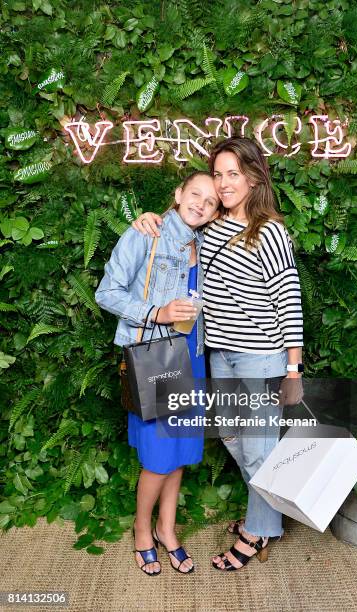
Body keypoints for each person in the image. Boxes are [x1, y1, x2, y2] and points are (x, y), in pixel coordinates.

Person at [133, 136, 304, 572]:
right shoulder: (211, 225)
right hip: (219, 354)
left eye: (234, 174)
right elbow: (177, 233)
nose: (225, 184)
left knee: (260, 448)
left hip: (260, 358)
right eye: (219, 174)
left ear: (253, 177)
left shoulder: (269, 231)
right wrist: (148, 220)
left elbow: (288, 300)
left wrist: (292, 368)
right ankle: (266, 513)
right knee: (233, 438)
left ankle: (257, 531)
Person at [95, 172, 220, 576]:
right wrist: (157, 313)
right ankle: (142, 529)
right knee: (157, 458)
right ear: (178, 192)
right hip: (157, 359)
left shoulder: (204, 241)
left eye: (212, 201)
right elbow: (107, 292)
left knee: (180, 453)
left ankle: (167, 529)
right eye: (195, 194)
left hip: (194, 358)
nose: (201, 204)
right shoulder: (147, 233)